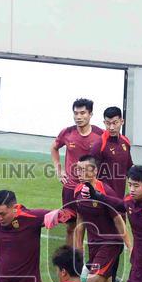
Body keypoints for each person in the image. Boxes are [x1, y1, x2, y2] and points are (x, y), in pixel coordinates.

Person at [73, 155, 130, 282]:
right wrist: (78, 250)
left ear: (95, 171)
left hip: (110, 244)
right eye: (78, 169)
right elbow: (80, 222)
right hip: (93, 246)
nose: (80, 173)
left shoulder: (105, 191)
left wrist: (131, 247)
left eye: (84, 170)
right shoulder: (78, 191)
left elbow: (118, 220)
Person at [51, 98, 103, 247]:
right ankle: (70, 261)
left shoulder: (100, 135)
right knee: (70, 227)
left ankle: (90, 262)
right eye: (76, 113)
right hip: (70, 188)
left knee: (92, 227)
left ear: (90, 114)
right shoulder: (67, 133)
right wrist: (59, 170)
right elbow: (54, 147)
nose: (78, 117)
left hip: (91, 188)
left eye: (82, 113)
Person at [96, 106, 133, 196]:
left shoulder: (126, 141)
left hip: (120, 194)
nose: (111, 127)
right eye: (108, 123)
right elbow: (89, 171)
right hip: (103, 196)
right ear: (104, 123)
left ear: (122, 122)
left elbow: (129, 167)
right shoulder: (99, 144)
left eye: (115, 123)